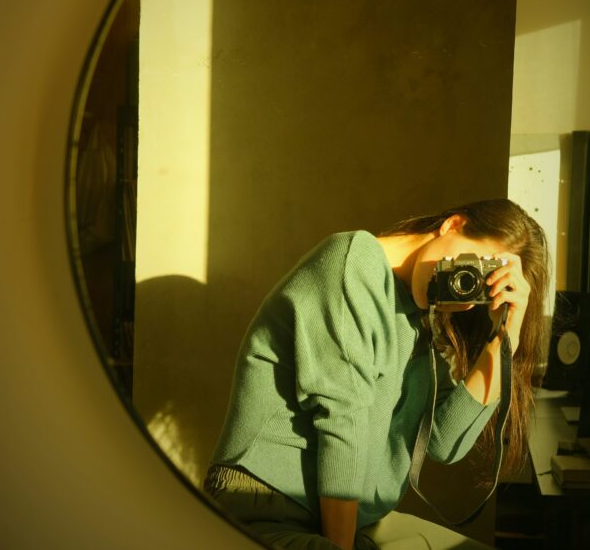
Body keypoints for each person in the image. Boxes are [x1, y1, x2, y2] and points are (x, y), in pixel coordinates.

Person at [203, 199, 550, 550]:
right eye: (470, 267)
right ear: (452, 225)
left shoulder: (419, 318)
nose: (463, 299)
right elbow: (343, 424)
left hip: (351, 521)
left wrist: (505, 338)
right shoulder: (353, 264)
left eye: (480, 287)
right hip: (266, 507)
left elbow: (445, 442)